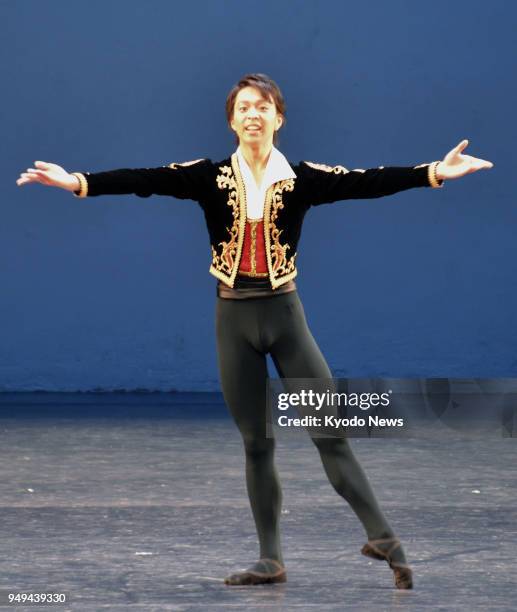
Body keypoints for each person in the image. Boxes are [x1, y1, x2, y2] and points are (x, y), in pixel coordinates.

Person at [17, 73, 493, 589]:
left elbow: (366, 181)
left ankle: (384, 537)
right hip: (233, 320)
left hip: (285, 317)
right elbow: (144, 178)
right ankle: (271, 558)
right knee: (256, 443)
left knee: (329, 434)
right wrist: (77, 182)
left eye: (262, 107)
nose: (252, 115)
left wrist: (433, 172)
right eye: (243, 107)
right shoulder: (208, 175)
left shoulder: (303, 178)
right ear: (231, 119)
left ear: (278, 118)